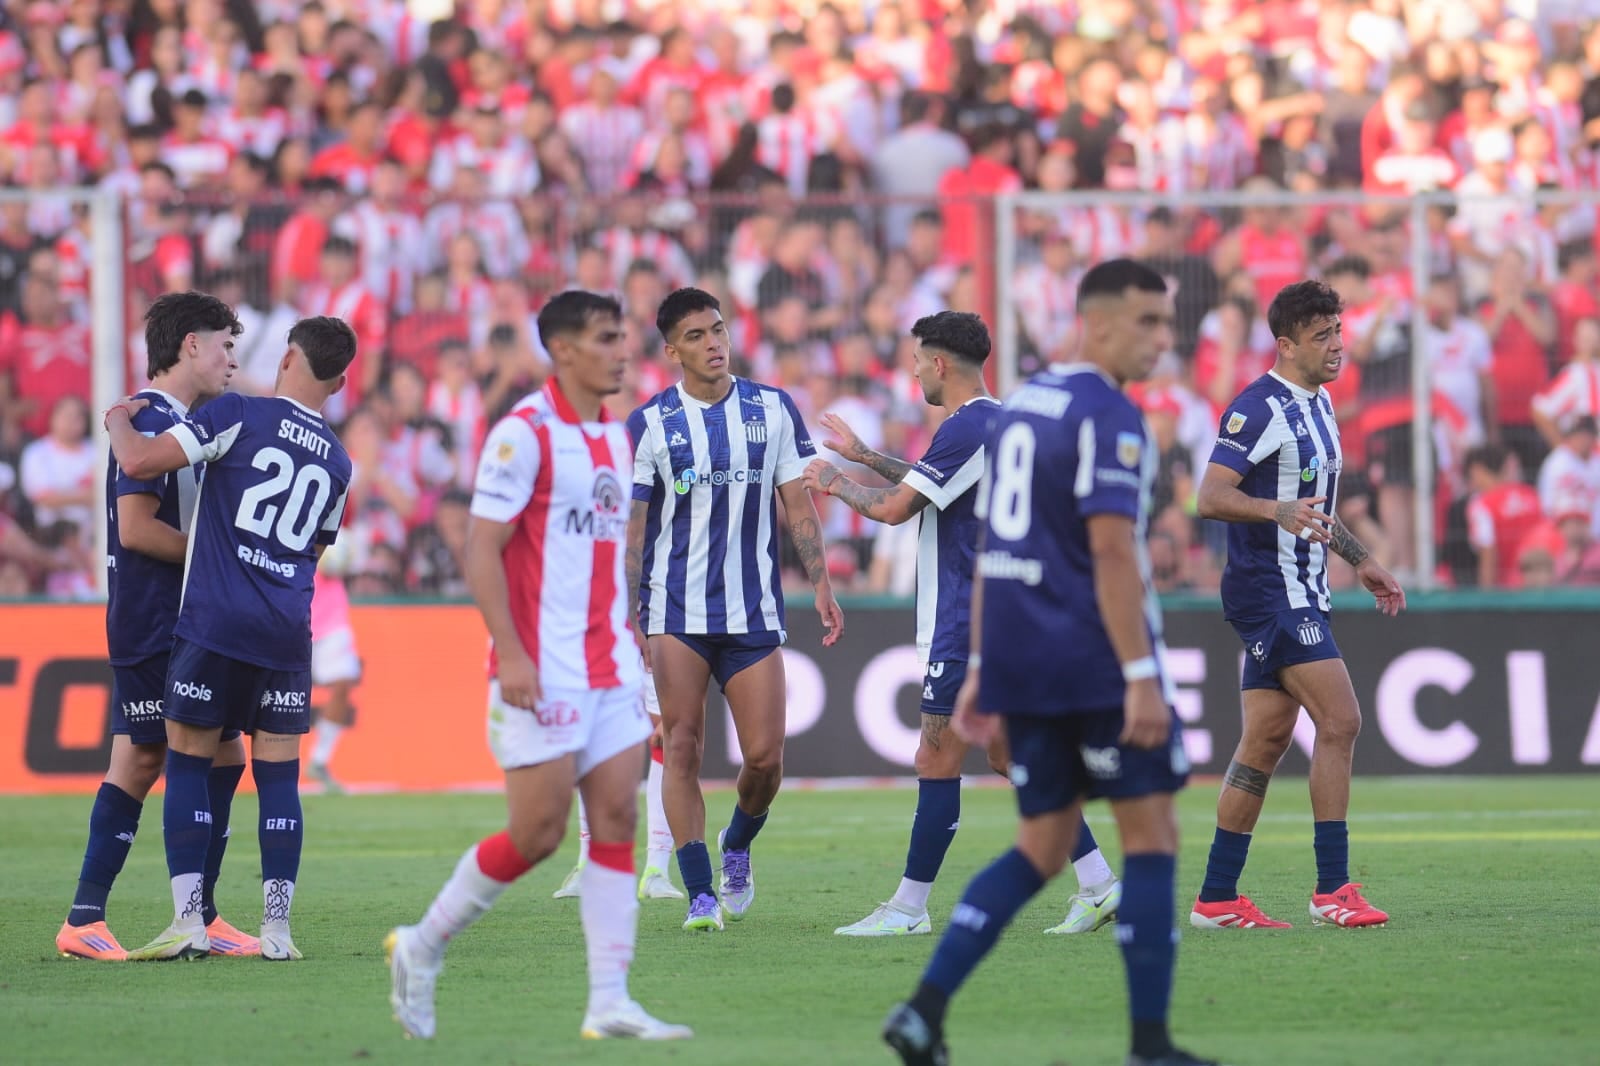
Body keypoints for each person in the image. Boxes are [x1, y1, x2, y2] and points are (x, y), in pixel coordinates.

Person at [882, 259, 1216, 1066]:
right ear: (1097, 323)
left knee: (1039, 846)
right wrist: (1140, 678)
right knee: (1152, 837)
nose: (1160, 342)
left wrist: (991, 668)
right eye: (1147, 323)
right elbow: (1110, 553)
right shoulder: (1112, 418)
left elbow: (993, 544)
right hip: (1094, 661)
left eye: (1165, 324)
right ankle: (1149, 1042)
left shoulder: (1022, 407)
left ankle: (923, 1009)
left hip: (1025, 660)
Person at [386, 290, 690, 1042]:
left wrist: (631, 632)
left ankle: (609, 1000)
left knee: (617, 813)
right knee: (538, 832)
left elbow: (611, 549)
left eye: (623, 337)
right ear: (563, 351)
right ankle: (422, 947)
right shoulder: (524, 434)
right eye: (605, 339)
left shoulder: (616, 437)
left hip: (609, 661)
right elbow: (481, 547)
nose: (623, 350)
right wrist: (512, 653)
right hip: (541, 667)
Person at [803, 310, 1122, 939]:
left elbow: (898, 510)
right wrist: (867, 454)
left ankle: (908, 908)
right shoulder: (1000, 421)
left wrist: (835, 480)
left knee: (936, 755)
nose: (914, 369)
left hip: (966, 619)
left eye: (919, 359)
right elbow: (935, 487)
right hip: (1011, 615)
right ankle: (1100, 883)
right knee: (1011, 753)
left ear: (940, 363)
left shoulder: (963, 427)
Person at [106, 315, 358, 961]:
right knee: (279, 783)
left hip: (215, 621)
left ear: (289, 356)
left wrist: (116, 416)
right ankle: (277, 931)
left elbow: (138, 460)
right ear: (340, 378)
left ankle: (189, 920)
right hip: (286, 632)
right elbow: (313, 550)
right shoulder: (339, 461)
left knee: (187, 762)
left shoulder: (240, 413)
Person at [626, 287, 844, 932]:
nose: (713, 342)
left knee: (765, 760)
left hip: (753, 611)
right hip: (675, 611)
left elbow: (797, 506)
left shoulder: (772, 408)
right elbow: (635, 531)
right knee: (682, 747)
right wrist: (631, 612)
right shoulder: (649, 423)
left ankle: (738, 846)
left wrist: (822, 584)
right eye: (695, 335)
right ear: (672, 351)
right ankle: (699, 894)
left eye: (717, 329)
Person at [1191, 279, 1405, 931]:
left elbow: (1312, 507)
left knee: (1265, 741)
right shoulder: (1258, 408)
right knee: (1340, 722)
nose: (1337, 346)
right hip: (1270, 593)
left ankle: (1217, 898)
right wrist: (1269, 509)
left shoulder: (1320, 403)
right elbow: (1209, 494)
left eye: (1339, 332)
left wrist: (1361, 557)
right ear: (1285, 346)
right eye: (1322, 337)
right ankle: (1332, 888)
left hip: (1304, 587)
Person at [56, 292, 260, 961]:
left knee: (224, 753)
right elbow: (139, 530)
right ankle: (87, 917)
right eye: (226, 346)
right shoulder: (143, 421)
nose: (234, 360)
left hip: (187, 621)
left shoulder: (174, 423)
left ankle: (201, 913)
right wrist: (220, 561)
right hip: (152, 620)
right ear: (190, 345)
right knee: (146, 757)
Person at [551, 674, 685, 902]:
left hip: (656, 645)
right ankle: (587, 866)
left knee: (666, 740)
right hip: (607, 646)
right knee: (596, 737)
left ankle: (657, 871)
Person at [307, 542, 361, 792]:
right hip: (298, 621)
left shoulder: (340, 530)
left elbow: (335, 562)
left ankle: (320, 759)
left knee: (344, 682)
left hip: (332, 625)